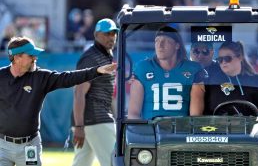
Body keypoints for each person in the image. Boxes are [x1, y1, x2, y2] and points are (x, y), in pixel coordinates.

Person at [0, 36, 116, 166]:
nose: (35, 58)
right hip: (2, 147)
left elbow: (68, 78)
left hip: (29, 145)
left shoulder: (40, 77)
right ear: (17, 58)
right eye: (31, 55)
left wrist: (96, 71)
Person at [128, 26, 207, 119]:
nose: (160, 45)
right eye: (157, 41)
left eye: (166, 41)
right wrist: (140, 133)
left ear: (177, 45)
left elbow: (195, 116)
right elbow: (133, 113)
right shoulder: (143, 68)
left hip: (180, 130)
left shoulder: (193, 69)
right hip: (150, 131)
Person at [72, 18, 119, 166]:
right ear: (96, 34)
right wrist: (79, 126)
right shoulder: (91, 58)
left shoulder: (105, 56)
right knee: (114, 162)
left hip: (90, 122)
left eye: (113, 33)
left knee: (81, 163)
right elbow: (79, 93)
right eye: (106, 34)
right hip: (97, 120)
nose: (111, 37)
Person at [204, 41, 258, 120]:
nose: (223, 62)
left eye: (227, 58)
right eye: (220, 59)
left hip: (252, 130)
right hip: (221, 129)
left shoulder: (257, 81)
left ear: (240, 57)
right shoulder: (213, 81)